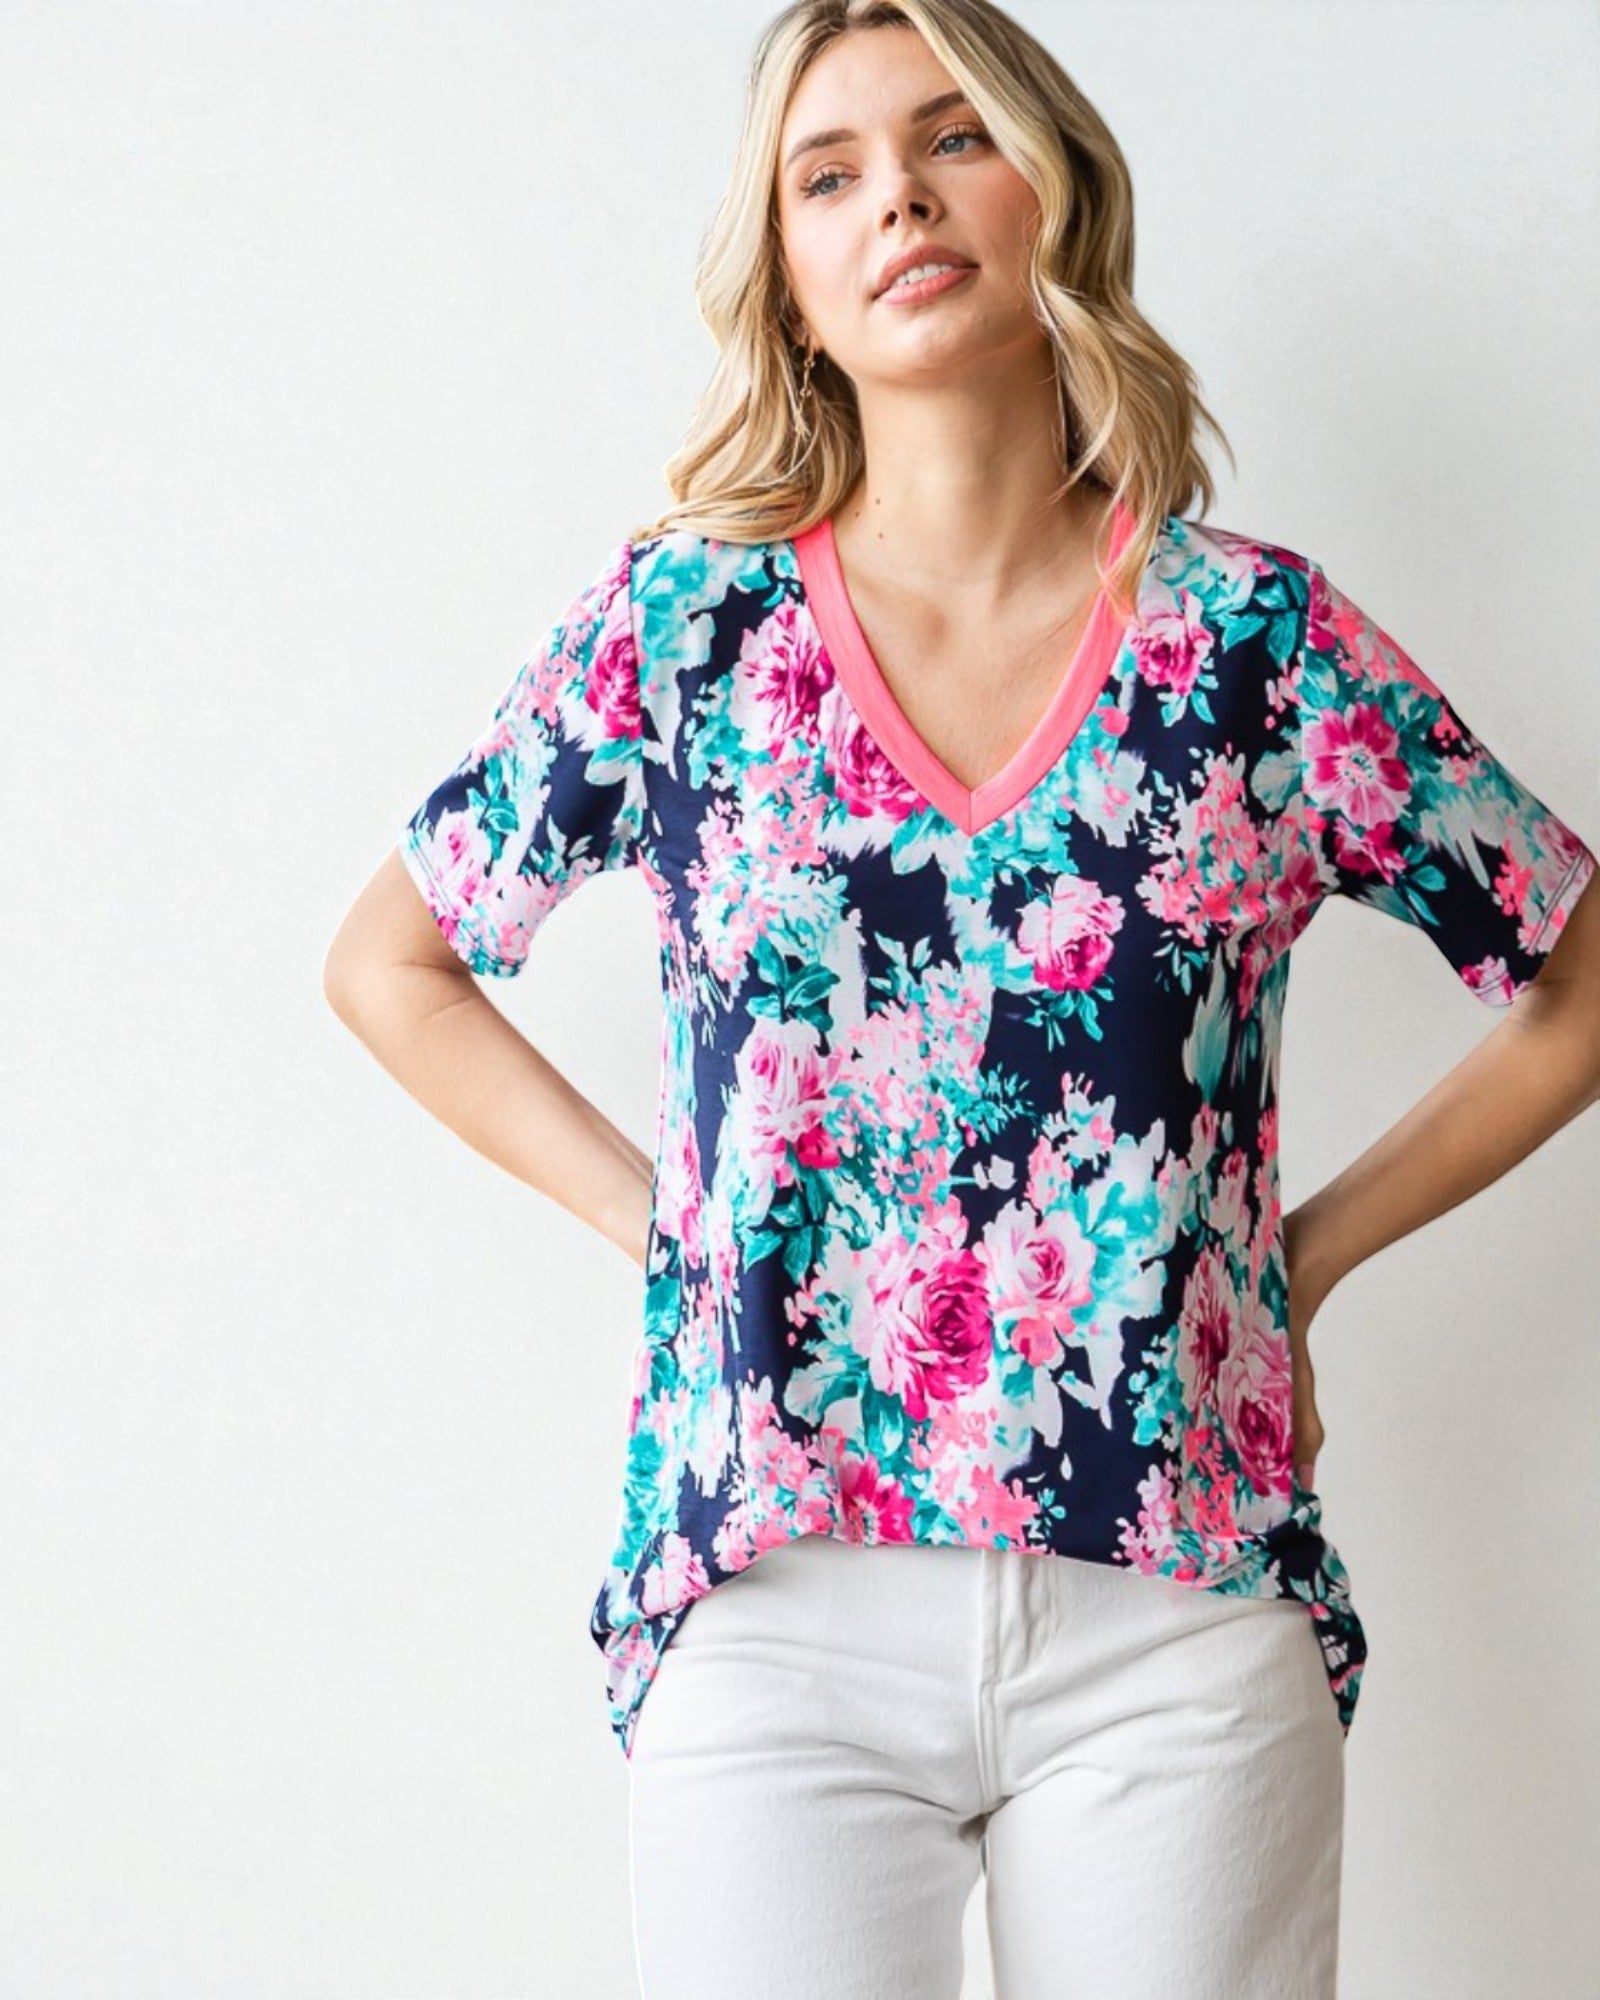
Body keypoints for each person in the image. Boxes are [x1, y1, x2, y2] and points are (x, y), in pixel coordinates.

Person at [322, 2, 1600, 1994]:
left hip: (1173, 1615)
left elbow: (1572, 967)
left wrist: (1302, 1265)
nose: (894, 195)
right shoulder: (682, 637)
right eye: (824, 173)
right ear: (790, 284)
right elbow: (390, 960)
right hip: (772, 1605)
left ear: (1050, 188)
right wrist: (656, 1222)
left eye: (946, 139)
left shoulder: (1254, 649)